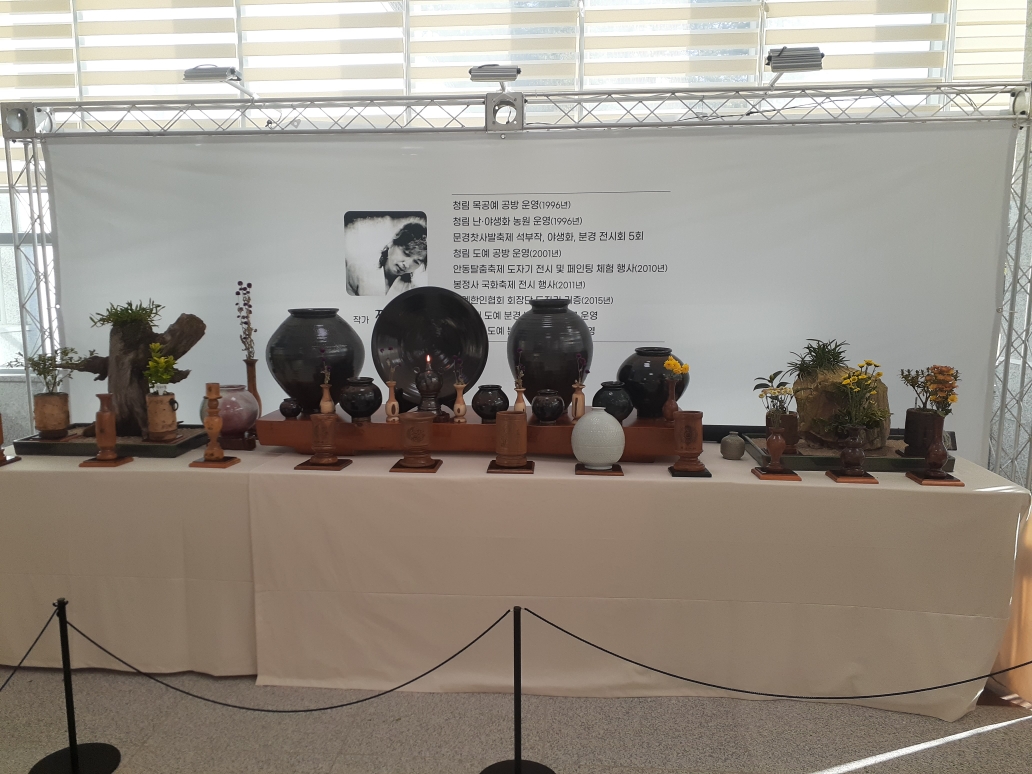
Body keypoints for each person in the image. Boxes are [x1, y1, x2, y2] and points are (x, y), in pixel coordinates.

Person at [347, 221, 427, 297]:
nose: (406, 265)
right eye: (406, 253)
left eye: (416, 262)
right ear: (392, 244)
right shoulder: (357, 270)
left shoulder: (412, 291)